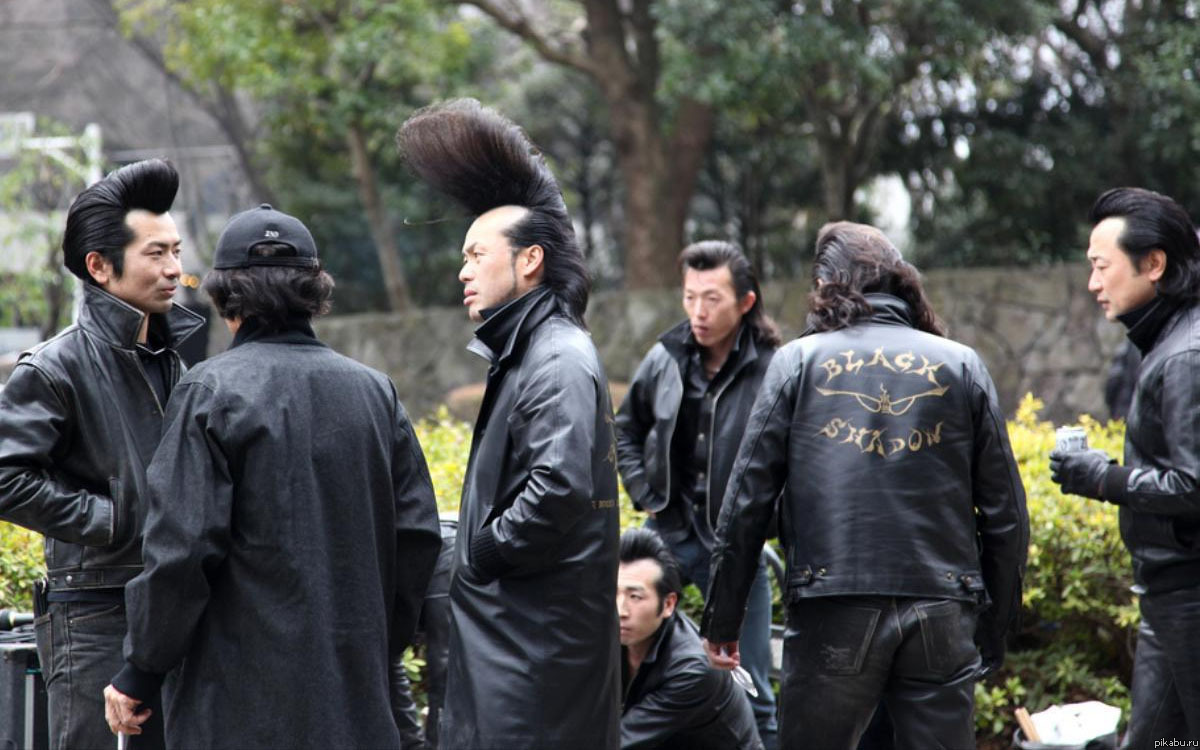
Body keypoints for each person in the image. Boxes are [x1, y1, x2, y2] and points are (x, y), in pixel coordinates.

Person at [100, 204, 442, 747]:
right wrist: (373, 646)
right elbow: (418, 537)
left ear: (224, 296)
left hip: (235, 703)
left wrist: (141, 668)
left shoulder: (209, 392)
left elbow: (182, 551)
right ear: (314, 291)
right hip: (354, 698)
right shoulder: (374, 391)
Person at [700, 221, 1029, 749]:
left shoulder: (799, 361)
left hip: (832, 601)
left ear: (826, 285)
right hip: (942, 603)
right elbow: (1006, 512)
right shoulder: (960, 363)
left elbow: (746, 502)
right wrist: (993, 625)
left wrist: (722, 620)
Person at [396, 99, 621, 749]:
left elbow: (557, 489)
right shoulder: (534, 349)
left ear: (530, 261)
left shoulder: (556, 357)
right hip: (521, 651)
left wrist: (481, 553)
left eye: (476, 254)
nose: (462, 270)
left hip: (532, 661)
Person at [0, 159, 202, 750]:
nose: (174, 269)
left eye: (176, 251)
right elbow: (6, 477)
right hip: (94, 613)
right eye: (155, 253)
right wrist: (113, 519)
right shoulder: (54, 367)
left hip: (171, 604)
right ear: (99, 266)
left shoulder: (172, 361)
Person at [1050, 187, 1200, 746]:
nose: (1093, 283)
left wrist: (1101, 476)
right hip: (1171, 595)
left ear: (1154, 263)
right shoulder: (1168, 340)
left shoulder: (1186, 355)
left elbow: (1193, 485)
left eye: (1101, 266)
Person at [615, 240, 780, 746]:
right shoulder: (666, 356)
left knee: (751, 685)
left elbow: (793, 459)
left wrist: (765, 520)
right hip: (666, 531)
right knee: (615, 652)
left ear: (745, 302)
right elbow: (624, 428)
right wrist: (645, 493)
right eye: (690, 297)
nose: (698, 312)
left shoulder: (775, 368)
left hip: (735, 546)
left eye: (712, 298)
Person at [617, 527, 761, 750]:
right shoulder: (611, 639)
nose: (620, 610)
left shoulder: (692, 668)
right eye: (613, 593)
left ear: (668, 604)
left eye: (635, 596)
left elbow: (619, 740)